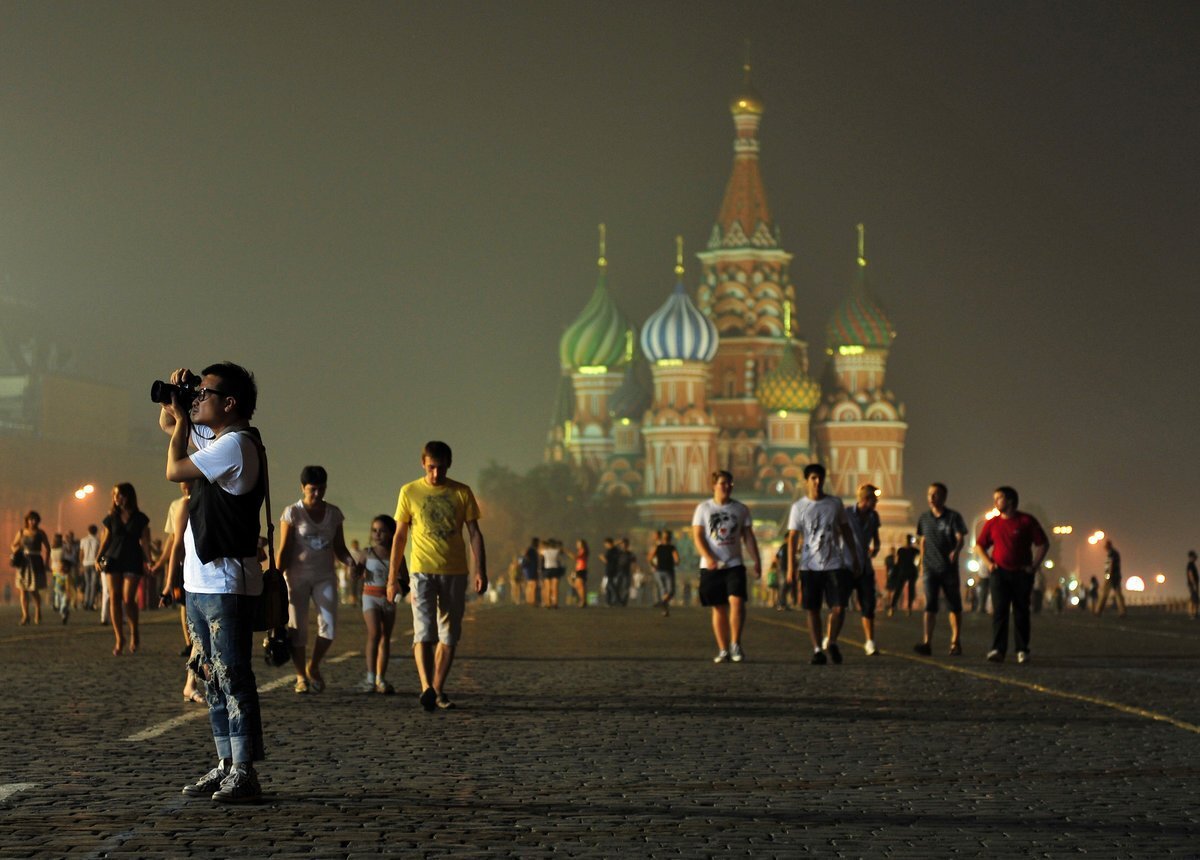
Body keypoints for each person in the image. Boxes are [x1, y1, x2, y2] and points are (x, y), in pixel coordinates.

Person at [161, 362, 267, 803]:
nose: (198, 398)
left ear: (230, 403)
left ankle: (244, 770)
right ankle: (224, 763)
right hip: (200, 580)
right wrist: (179, 396)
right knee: (210, 677)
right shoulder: (220, 438)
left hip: (226, 580)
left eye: (206, 393)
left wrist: (185, 419)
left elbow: (174, 468)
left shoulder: (237, 445)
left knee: (234, 675)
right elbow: (169, 421)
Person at [387, 440, 487, 712]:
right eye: (431, 468)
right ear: (423, 464)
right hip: (422, 571)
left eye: (440, 468)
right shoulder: (409, 492)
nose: (435, 474)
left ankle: (439, 689)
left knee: (450, 634)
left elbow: (474, 534)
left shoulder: (461, 493)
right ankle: (426, 688)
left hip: (455, 572)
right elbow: (399, 536)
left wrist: (481, 569)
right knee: (424, 631)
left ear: (449, 465)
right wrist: (392, 577)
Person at [277, 465, 355, 694]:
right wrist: (275, 578)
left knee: (328, 627)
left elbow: (339, 547)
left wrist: (351, 563)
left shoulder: (334, 513)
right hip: (296, 576)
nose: (317, 494)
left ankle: (314, 665)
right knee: (297, 629)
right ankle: (300, 676)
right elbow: (285, 548)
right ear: (302, 488)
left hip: (324, 576)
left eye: (321, 489)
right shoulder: (292, 513)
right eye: (312, 489)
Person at [786, 464, 859, 665]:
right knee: (813, 609)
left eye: (820, 478)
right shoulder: (798, 507)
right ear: (806, 481)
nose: (817, 482)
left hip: (834, 563)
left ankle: (832, 640)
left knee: (839, 607)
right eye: (813, 478)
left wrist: (854, 557)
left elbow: (845, 530)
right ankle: (818, 649)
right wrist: (791, 568)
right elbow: (792, 538)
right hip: (809, 566)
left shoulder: (835, 503)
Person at [692, 470, 761, 663]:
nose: (726, 487)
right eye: (722, 483)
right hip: (711, 566)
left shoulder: (740, 509)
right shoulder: (703, 509)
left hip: (734, 564)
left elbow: (748, 536)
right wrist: (708, 557)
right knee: (719, 608)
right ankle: (723, 649)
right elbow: (697, 536)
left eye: (729, 483)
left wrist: (756, 560)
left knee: (737, 602)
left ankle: (735, 644)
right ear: (713, 485)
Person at [974, 485, 1048, 664]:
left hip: (1022, 573)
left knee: (1021, 612)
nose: (995, 502)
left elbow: (1043, 544)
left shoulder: (1026, 521)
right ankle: (998, 649)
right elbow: (979, 545)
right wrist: (989, 564)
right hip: (999, 573)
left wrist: (1034, 566)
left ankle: (1022, 650)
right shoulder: (992, 523)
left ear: (1011, 501)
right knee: (1000, 611)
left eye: (999, 498)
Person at [158, 482, 204, 704]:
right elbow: (175, 544)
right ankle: (192, 683)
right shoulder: (184, 506)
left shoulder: (222, 498)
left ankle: (191, 683)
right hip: (194, 576)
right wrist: (168, 582)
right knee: (201, 635)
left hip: (217, 575)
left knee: (205, 636)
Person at [914, 482, 969, 657]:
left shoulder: (953, 517)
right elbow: (923, 541)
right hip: (930, 568)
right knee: (930, 605)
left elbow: (960, 537)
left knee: (954, 605)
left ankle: (955, 642)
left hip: (948, 569)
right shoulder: (924, 518)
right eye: (929, 494)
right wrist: (922, 563)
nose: (931, 498)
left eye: (936, 494)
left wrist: (956, 550)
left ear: (944, 497)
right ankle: (927, 642)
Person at [98, 483, 152, 655]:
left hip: (132, 558)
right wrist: (98, 557)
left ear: (129, 496)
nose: (117, 498)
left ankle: (134, 631)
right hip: (113, 558)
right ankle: (119, 638)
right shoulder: (111, 517)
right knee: (114, 597)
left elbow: (145, 541)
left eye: (120, 495)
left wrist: (149, 560)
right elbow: (105, 539)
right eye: (115, 495)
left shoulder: (140, 518)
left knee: (128, 598)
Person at [353, 515, 403, 694]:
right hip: (370, 596)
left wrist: (399, 590)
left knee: (385, 637)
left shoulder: (397, 554)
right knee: (375, 633)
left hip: (388, 599)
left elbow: (404, 578)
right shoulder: (367, 553)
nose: (377, 534)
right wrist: (355, 569)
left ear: (391, 534)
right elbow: (355, 574)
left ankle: (381, 678)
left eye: (382, 531)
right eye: (374, 530)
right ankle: (370, 676)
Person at [841, 483, 882, 656]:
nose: (876, 503)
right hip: (847, 566)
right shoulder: (847, 514)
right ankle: (830, 638)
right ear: (865, 499)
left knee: (868, 605)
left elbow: (876, 538)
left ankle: (870, 641)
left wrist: (876, 548)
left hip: (865, 567)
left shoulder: (874, 517)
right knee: (838, 605)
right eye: (874, 499)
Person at [11, 512, 50, 625]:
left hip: (36, 561)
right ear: (27, 520)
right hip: (23, 562)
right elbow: (13, 544)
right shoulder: (21, 532)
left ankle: (38, 612)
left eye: (35, 520)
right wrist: (16, 551)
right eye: (30, 519)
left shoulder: (40, 533)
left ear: (38, 521)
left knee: (34, 590)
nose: (32, 522)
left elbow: (48, 548)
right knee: (22, 590)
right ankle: (25, 615)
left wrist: (46, 563)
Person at [649, 530, 680, 617]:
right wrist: (676, 563)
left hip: (664, 571)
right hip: (664, 571)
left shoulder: (665, 547)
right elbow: (677, 559)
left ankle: (663, 605)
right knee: (668, 591)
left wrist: (654, 565)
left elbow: (650, 558)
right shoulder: (664, 547)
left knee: (667, 590)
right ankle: (664, 606)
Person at [1093, 539, 1127, 617]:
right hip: (1116, 576)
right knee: (1118, 594)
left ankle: (1098, 611)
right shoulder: (1114, 553)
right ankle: (1122, 611)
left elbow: (1110, 566)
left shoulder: (1112, 554)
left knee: (1104, 594)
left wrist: (1108, 576)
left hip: (1111, 577)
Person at [888, 536, 918, 615]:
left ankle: (894, 607)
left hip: (906, 571)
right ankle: (905, 608)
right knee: (903, 590)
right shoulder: (912, 550)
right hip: (908, 571)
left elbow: (897, 562)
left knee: (902, 590)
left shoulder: (903, 550)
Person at [79, 524, 100, 611]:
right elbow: (99, 553)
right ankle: (91, 603)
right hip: (94, 563)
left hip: (86, 563)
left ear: (88, 531)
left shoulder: (83, 540)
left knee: (87, 584)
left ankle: (86, 602)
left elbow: (81, 553)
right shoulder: (97, 541)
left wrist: (81, 564)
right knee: (93, 584)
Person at [540, 538, 564, 609]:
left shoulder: (545, 551)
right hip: (555, 569)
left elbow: (539, 551)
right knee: (555, 587)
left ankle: (548, 603)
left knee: (548, 587)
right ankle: (555, 603)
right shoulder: (556, 551)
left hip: (547, 569)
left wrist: (543, 545)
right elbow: (562, 551)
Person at [520, 537, 540, 606]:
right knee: (533, 585)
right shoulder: (532, 549)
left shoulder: (531, 549)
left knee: (530, 584)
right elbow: (526, 555)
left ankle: (529, 599)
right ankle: (532, 600)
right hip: (531, 569)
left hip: (529, 569)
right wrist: (530, 562)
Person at [601, 538, 620, 606]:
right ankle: (609, 601)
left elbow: (608, 561)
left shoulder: (612, 551)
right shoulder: (613, 550)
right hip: (610, 569)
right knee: (609, 585)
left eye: (606, 544)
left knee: (610, 585)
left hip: (611, 570)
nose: (605, 546)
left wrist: (603, 558)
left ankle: (616, 600)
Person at [571, 538, 589, 608]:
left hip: (582, 569)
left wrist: (568, 552)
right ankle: (582, 600)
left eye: (578, 543)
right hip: (578, 569)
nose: (577, 545)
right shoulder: (580, 551)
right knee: (577, 585)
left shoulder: (583, 550)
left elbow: (576, 557)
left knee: (580, 586)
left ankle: (583, 601)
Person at [1187, 551, 1198, 620]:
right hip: (1192, 584)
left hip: (1193, 584)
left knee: (1193, 599)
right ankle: (1193, 614)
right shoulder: (1191, 565)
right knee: (1194, 599)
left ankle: (1193, 614)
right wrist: (1194, 584)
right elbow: (1190, 574)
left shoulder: (1192, 564)